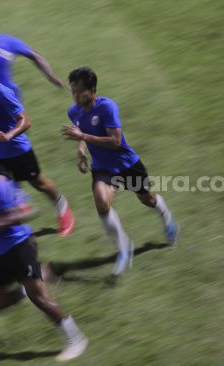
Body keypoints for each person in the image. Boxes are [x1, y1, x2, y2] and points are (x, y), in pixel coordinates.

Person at [0, 148, 88, 362]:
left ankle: (76, 339)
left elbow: (24, 213)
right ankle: (26, 288)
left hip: (19, 246)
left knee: (40, 299)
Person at [61, 67, 179, 276]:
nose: (75, 96)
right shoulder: (74, 111)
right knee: (101, 202)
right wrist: (81, 150)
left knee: (147, 200)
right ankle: (124, 248)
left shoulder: (107, 107)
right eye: (73, 91)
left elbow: (115, 142)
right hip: (103, 168)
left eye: (79, 91)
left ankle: (167, 218)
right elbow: (82, 133)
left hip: (126, 165)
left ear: (92, 90)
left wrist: (84, 138)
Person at [0, 50, 74, 236]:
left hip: (16, 149)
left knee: (40, 183)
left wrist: (9, 135)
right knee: (0, 189)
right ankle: (14, 222)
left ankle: (62, 207)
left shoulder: (3, 93)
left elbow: (25, 121)